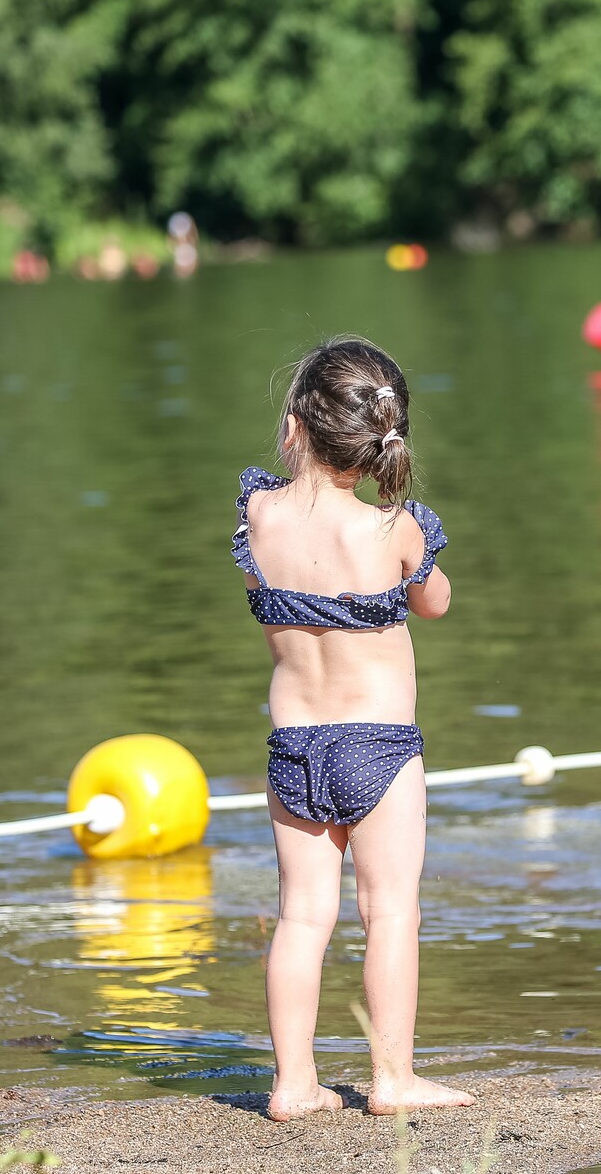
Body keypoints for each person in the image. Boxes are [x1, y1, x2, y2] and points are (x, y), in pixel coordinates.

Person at [231, 337, 475, 1122]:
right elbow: (436, 604)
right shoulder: (390, 530)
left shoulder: (256, 515)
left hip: (294, 747)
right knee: (390, 909)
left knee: (303, 914)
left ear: (296, 424)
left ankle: (293, 1084)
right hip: (379, 748)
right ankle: (393, 1078)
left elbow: (259, 588)